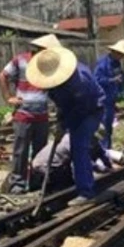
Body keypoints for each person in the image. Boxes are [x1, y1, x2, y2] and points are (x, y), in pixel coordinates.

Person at [26, 46, 106, 205]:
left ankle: (87, 192)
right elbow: (63, 105)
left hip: (91, 110)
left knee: (79, 146)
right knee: (77, 144)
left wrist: (65, 125)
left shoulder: (80, 79)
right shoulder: (55, 85)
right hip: (76, 111)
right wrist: (61, 123)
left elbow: (82, 107)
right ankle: (80, 183)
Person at [0, 34, 60, 193]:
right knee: (21, 150)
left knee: (40, 150)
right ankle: (17, 183)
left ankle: (36, 181)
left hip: (42, 115)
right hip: (23, 114)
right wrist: (8, 97)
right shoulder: (21, 60)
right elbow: (3, 75)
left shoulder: (48, 65)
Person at [29, 131, 120, 192]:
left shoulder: (90, 138)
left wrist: (110, 166)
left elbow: (101, 152)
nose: (95, 141)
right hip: (46, 165)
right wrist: (105, 170)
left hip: (61, 163)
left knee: (71, 183)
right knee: (64, 188)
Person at [94, 39, 124, 150]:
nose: (122, 57)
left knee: (109, 128)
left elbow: (119, 80)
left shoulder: (117, 64)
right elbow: (97, 80)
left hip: (111, 100)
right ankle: (103, 151)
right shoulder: (102, 64)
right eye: (121, 55)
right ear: (115, 52)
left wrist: (121, 89)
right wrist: (112, 80)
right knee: (103, 128)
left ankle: (108, 150)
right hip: (103, 101)